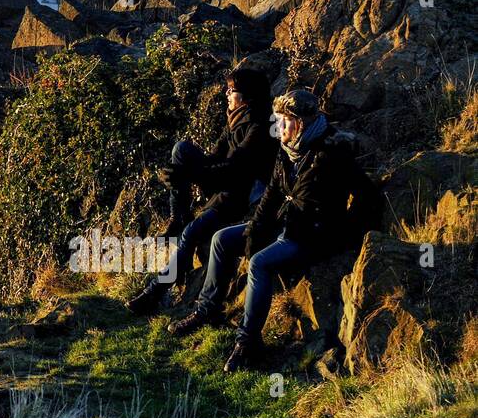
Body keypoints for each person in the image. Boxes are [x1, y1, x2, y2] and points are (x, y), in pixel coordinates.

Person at [167, 89, 387, 372]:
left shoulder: (331, 154)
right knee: (222, 239)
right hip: (284, 225)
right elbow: (271, 194)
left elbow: (367, 195)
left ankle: (248, 343)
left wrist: (344, 234)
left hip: (312, 235)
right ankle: (206, 310)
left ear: (300, 123)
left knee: (259, 263)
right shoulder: (288, 152)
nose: (278, 126)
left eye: (284, 120)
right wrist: (256, 230)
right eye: (278, 120)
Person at [125, 66, 277, 315]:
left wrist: (190, 175)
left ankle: (157, 290)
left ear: (248, 96)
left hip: (241, 196)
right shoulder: (237, 118)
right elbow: (216, 156)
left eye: (232, 90)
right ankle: (179, 215)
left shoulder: (259, 127)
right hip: (225, 185)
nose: (227, 94)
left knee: (191, 233)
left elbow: (235, 170)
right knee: (181, 149)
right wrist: (184, 173)